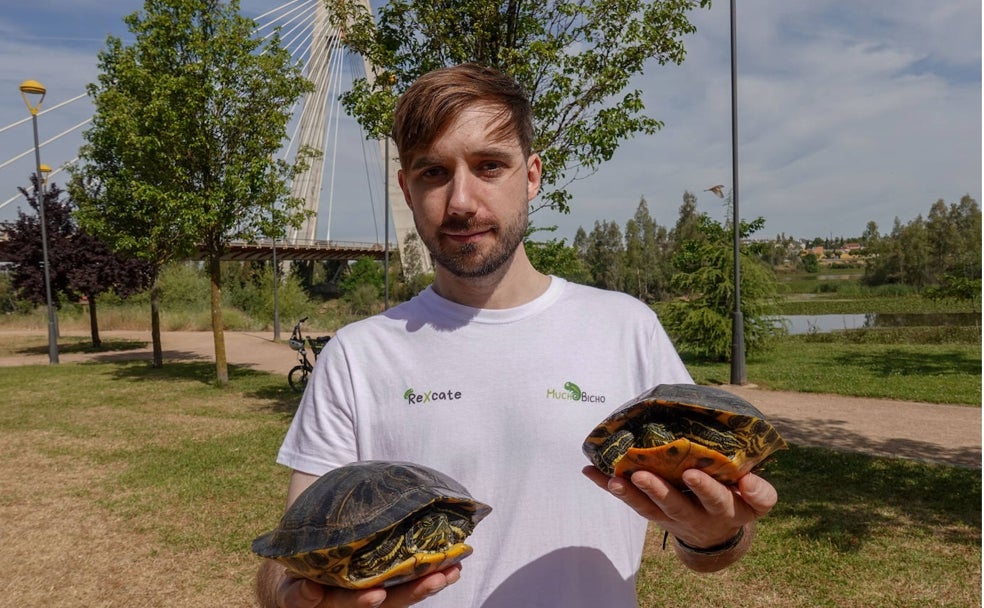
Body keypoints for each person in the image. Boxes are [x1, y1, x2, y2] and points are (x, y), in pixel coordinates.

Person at [255, 63, 779, 608]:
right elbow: (290, 563)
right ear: (406, 191)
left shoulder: (626, 327)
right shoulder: (357, 355)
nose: (461, 201)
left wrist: (715, 534)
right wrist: (296, 599)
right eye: (433, 172)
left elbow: (710, 542)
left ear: (531, 175)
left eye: (489, 166)